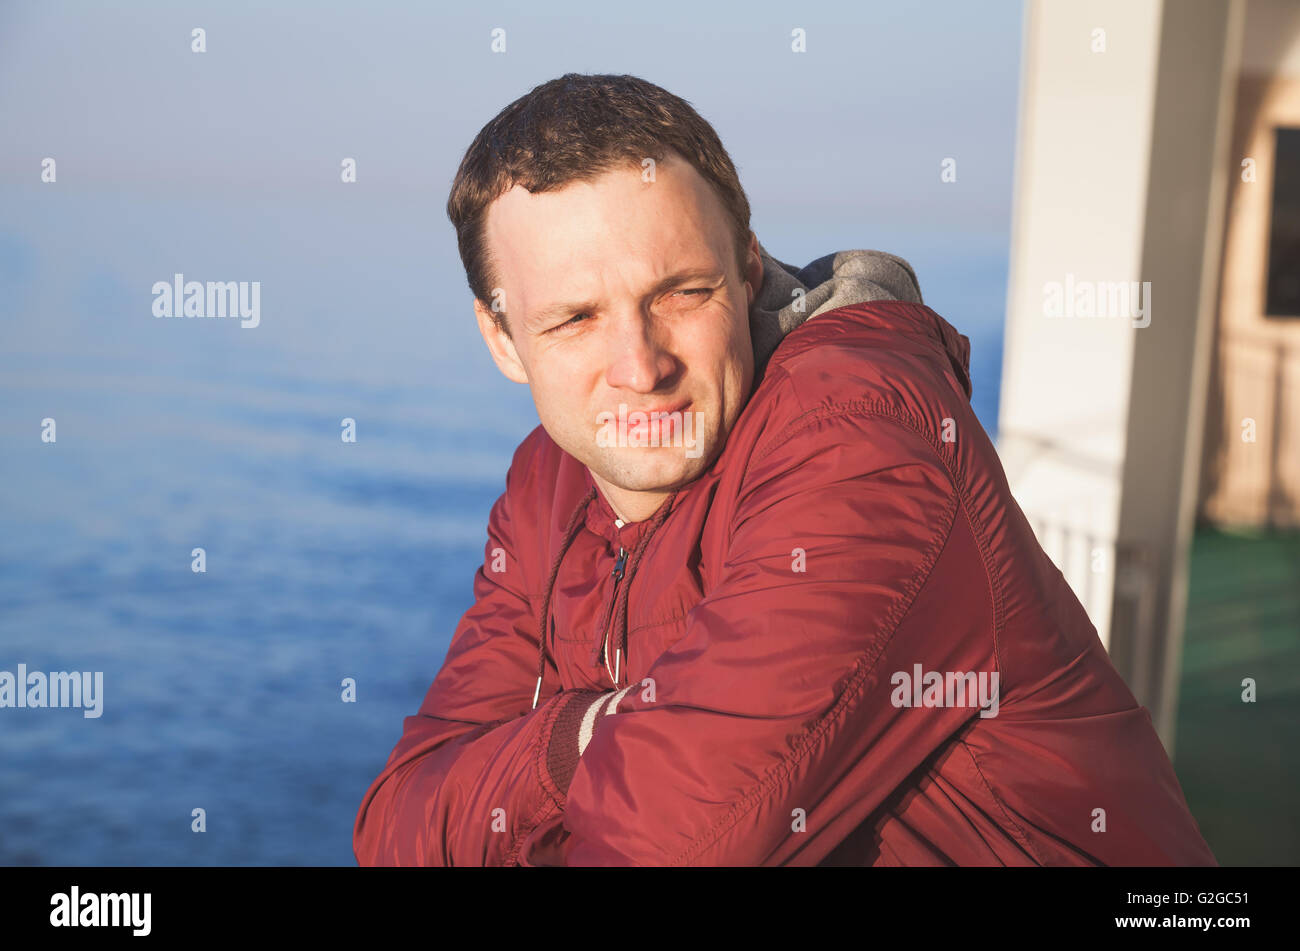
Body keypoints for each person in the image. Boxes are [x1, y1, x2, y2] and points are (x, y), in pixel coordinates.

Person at [352, 72, 1218, 866]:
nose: (641, 365)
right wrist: (579, 738)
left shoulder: (859, 438)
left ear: (750, 267)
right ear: (501, 337)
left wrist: (533, 773)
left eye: (682, 293)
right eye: (575, 318)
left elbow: (672, 843)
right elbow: (396, 828)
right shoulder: (549, 481)